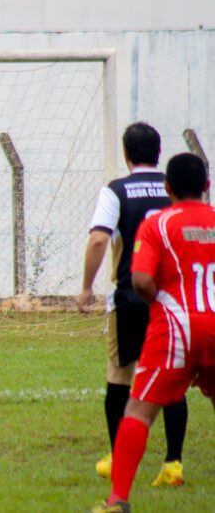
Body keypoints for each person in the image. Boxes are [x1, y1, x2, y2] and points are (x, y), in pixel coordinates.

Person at [94, 153, 215, 513]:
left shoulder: (158, 225)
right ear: (207, 187)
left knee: (138, 410)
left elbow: (142, 280)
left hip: (176, 325)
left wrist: (157, 299)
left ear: (168, 188)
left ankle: (118, 500)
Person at [78, 122, 188, 486]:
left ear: (126, 155)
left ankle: (116, 456)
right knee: (171, 380)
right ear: (159, 153)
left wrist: (85, 287)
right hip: (172, 301)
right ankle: (173, 463)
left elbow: (98, 240)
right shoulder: (175, 189)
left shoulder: (116, 190)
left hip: (128, 296)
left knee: (119, 377)